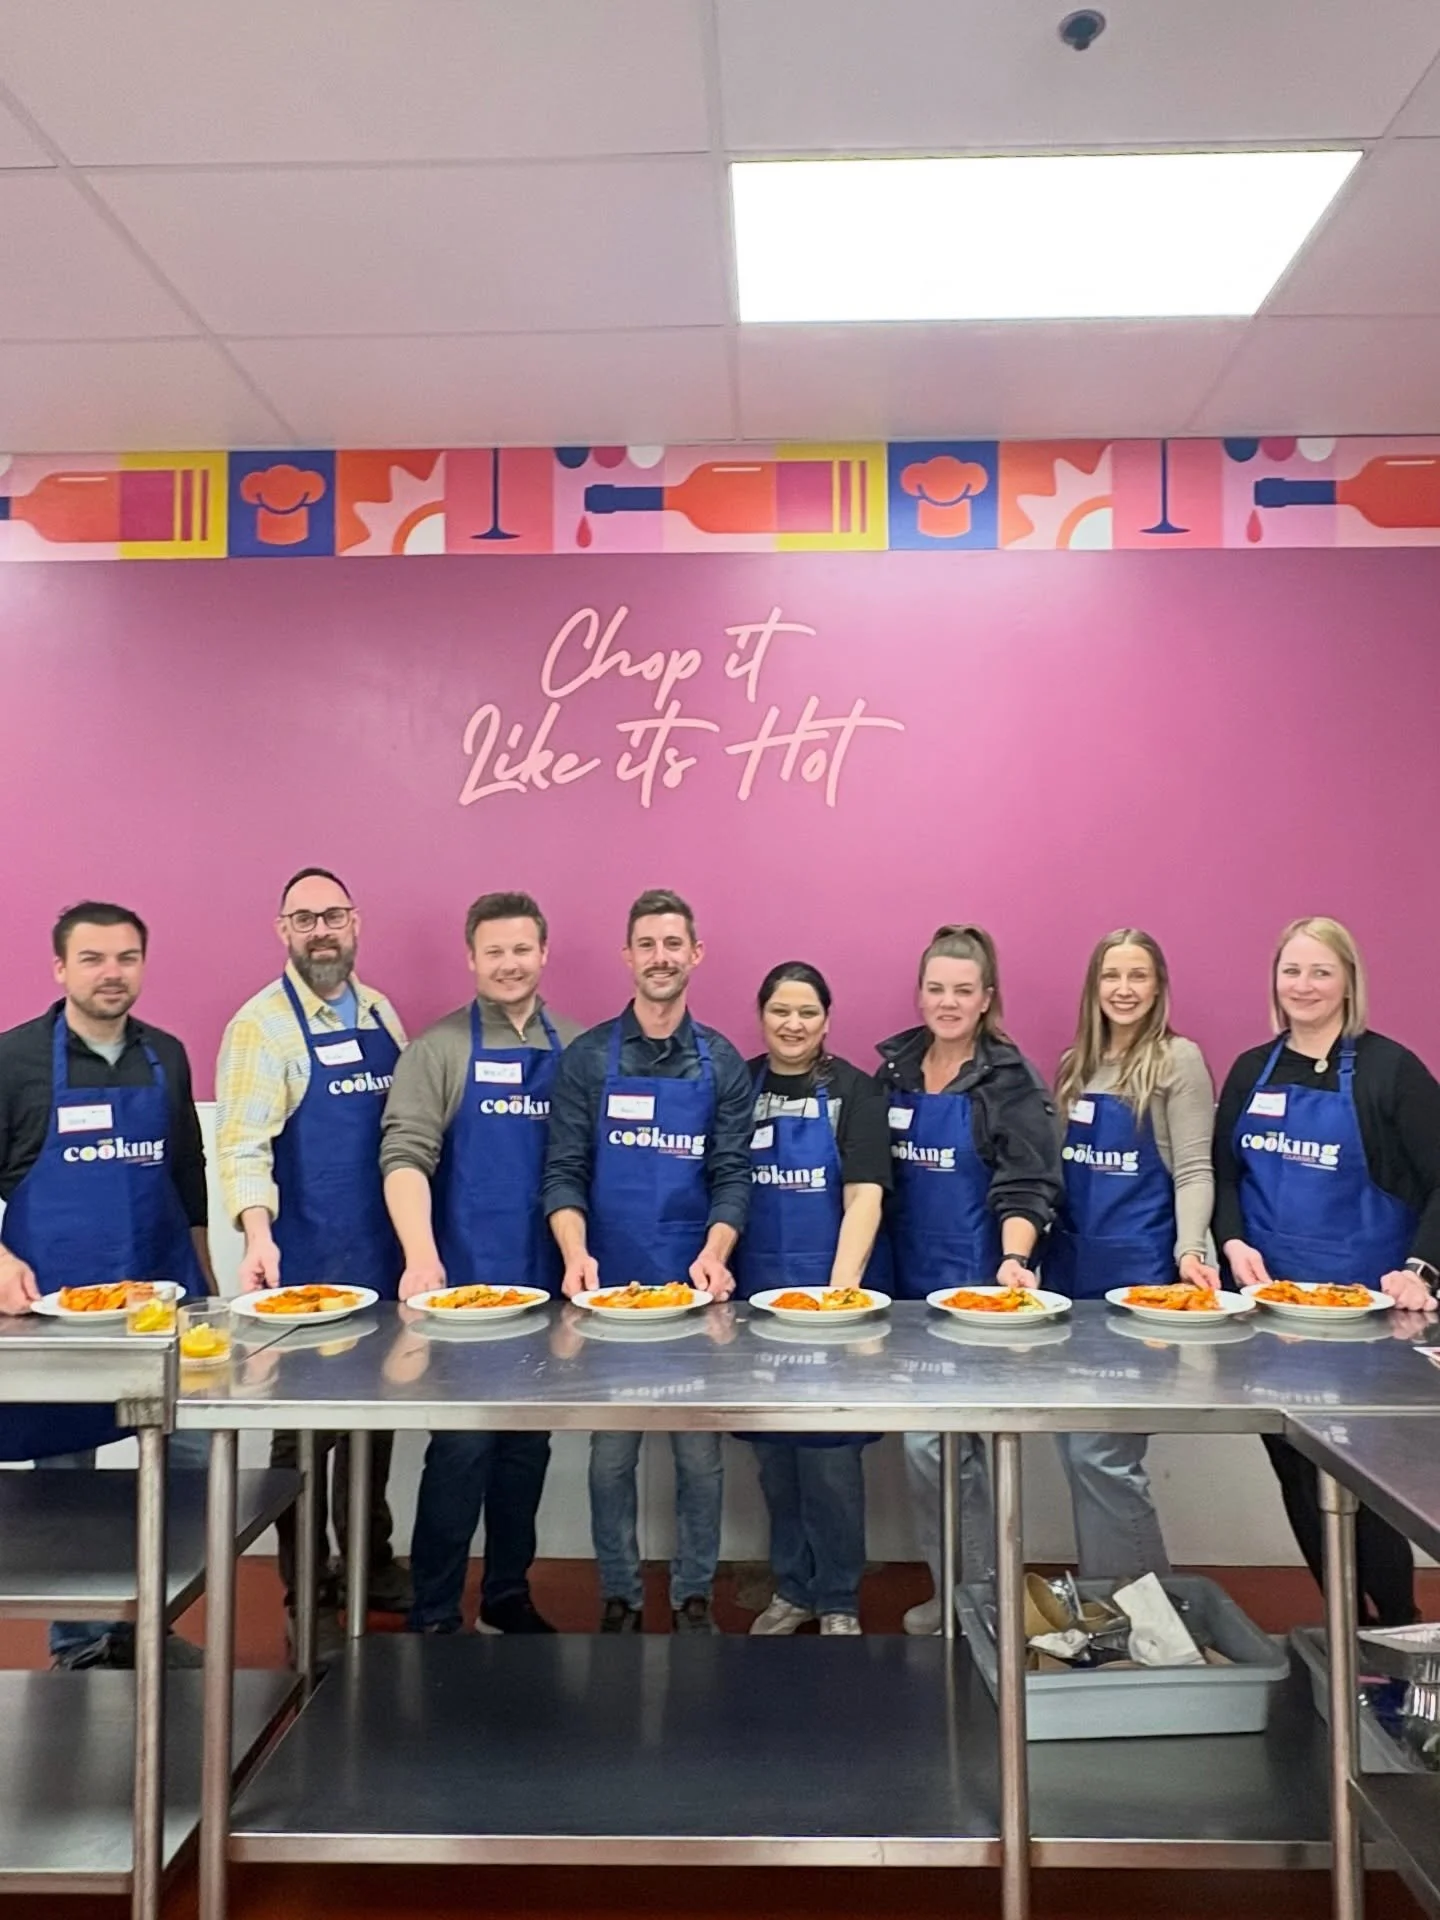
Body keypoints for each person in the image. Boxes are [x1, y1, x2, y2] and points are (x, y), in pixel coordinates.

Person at [0, 900, 213, 1669]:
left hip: (162, 1304)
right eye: (92, 959)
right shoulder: (14, 1058)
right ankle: (80, 1641)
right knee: (65, 1481)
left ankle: (153, 1621)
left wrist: (205, 1271)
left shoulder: (169, 1055)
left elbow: (187, 1171)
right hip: (58, 1312)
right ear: (60, 968)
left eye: (126, 958)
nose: (111, 973)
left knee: (186, 1464)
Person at [1215, 915, 1440, 1626]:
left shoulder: (1390, 1070)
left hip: (1367, 1327)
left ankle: (1398, 1636)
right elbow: (1224, 1173)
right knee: (1294, 1471)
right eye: (1292, 971)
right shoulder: (1253, 1068)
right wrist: (1231, 1239)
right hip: (1270, 1319)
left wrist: (1422, 1270)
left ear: (1348, 980)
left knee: (1363, 1486)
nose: (1304, 986)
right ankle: (1346, 1629)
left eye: (1320, 971)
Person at [543, 887, 752, 1633]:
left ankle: (695, 1595)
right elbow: (564, 1169)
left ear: (695, 954)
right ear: (627, 956)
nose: (660, 958)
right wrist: (576, 1256)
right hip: (608, 1295)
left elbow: (733, 1174)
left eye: (674, 944)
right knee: (611, 1456)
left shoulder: (722, 1061)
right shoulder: (589, 1057)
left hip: (696, 1293)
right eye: (647, 945)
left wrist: (716, 1254)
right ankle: (619, 1596)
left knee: (699, 1458)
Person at [215, 867, 409, 1659]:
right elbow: (242, 1145)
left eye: (333, 916)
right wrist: (257, 1234)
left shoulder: (381, 1012)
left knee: (378, 1421)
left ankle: (365, 1554)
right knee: (304, 1436)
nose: (321, 931)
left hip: (382, 1256)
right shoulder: (262, 1026)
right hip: (305, 1268)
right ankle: (305, 1588)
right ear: (282, 930)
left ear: (355, 922)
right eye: (305, 919)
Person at [382, 890, 583, 1635]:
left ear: (543, 953)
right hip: (462, 1293)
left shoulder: (580, 1046)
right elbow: (404, 1155)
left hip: (548, 1289)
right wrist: (422, 1257)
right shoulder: (438, 1049)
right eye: (494, 951)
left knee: (526, 1449)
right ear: (471, 958)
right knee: (462, 1449)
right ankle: (434, 1611)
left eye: (521, 949)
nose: (509, 964)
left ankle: (507, 1596)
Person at [876, 924, 1063, 1636]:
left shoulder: (1011, 1080)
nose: (948, 1002)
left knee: (958, 1448)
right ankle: (956, 1589)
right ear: (920, 993)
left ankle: (983, 1598)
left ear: (987, 998)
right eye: (936, 989)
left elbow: (1029, 1182)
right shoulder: (893, 1068)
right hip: (903, 1292)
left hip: (980, 1293)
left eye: (963, 990)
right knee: (926, 1449)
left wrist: (1014, 1260)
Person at [1050, 930, 1219, 1578]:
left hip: (1142, 1285)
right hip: (1072, 1285)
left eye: (1137, 976)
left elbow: (1195, 1169)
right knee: (1076, 1451)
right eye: (1111, 976)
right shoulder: (1074, 1066)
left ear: (1158, 987)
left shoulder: (1178, 1060)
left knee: (1104, 1454)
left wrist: (1190, 1250)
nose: (1123, 989)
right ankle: (1111, 1606)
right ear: (1094, 987)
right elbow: (1062, 1178)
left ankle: (1155, 1615)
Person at [736, 963, 890, 1637]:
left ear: (826, 1020)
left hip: (830, 1301)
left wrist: (837, 1293)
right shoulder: (738, 1085)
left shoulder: (854, 1092)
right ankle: (792, 1587)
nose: (792, 1024)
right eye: (780, 1011)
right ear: (762, 1015)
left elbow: (864, 1194)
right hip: (757, 1304)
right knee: (775, 1457)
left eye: (806, 1012)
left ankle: (839, 1600)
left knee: (829, 1459)